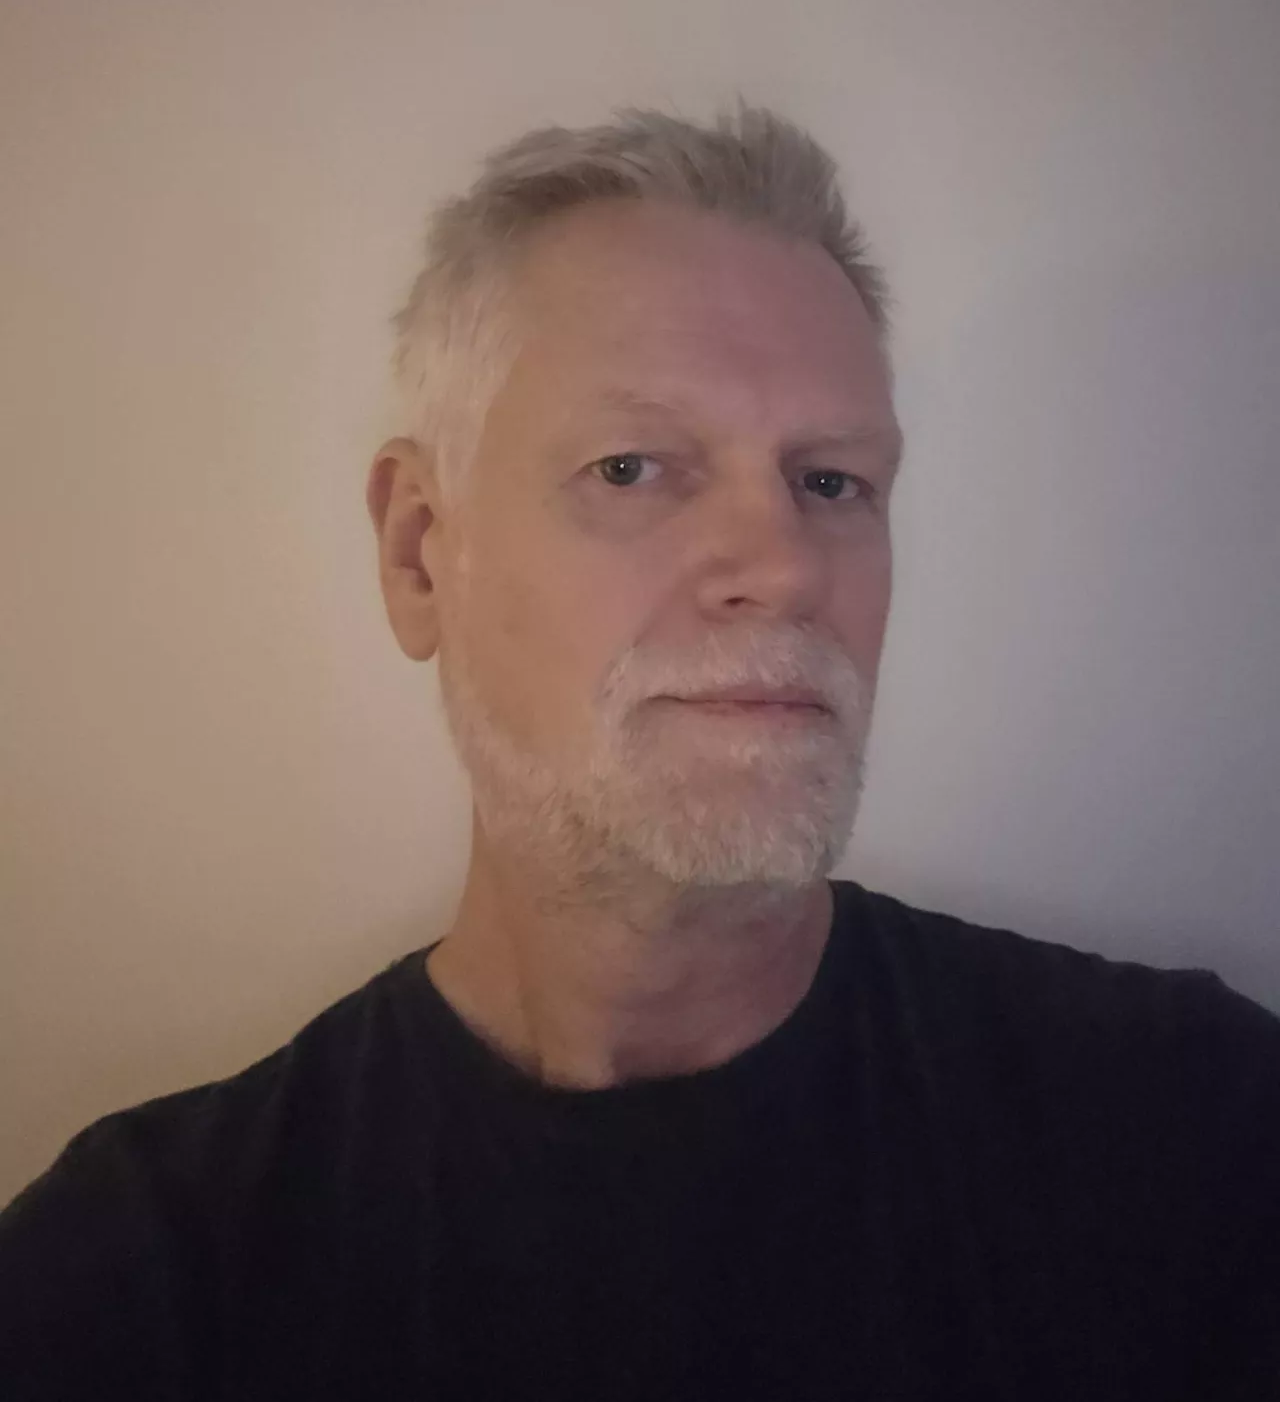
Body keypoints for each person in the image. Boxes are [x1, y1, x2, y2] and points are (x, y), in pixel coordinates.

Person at [2, 105, 1277, 1401]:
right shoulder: (133, 1285)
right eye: (630, 467)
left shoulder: (1194, 1133)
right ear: (419, 552)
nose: (784, 567)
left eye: (830, 481)